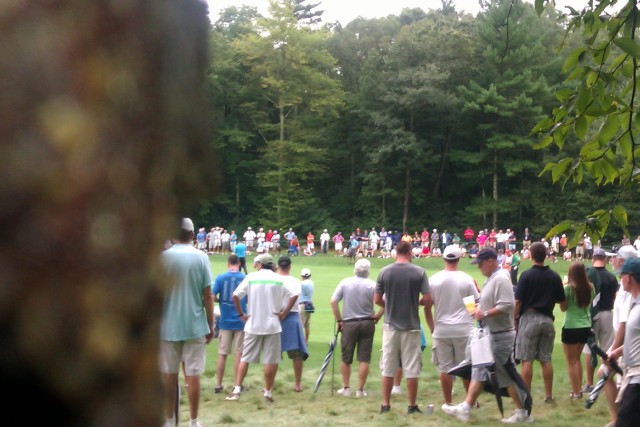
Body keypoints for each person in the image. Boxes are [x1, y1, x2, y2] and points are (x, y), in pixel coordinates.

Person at [442, 247, 532, 423]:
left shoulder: (501, 279)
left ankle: (523, 411)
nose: (479, 267)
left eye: (480, 264)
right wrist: (479, 309)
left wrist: (484, 313)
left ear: (490, 262)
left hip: (500, 335)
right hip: (491, 334)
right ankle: (466, 408)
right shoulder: (493, 278)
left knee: (505, 374)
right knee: (480, 370)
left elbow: (507, 305)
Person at [159, 218, 214, 427]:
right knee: (193, 375)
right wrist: (211, 324)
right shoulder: (201, 257)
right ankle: (193, 420)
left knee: (169, 375)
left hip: (168, 325)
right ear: (192, 234)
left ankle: (169, 420)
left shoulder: (163, 258)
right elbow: (208, 294)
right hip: (194, 324)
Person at [226, 254, 296, 402]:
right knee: (271, 360)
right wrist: (284, 313)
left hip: (253, 324)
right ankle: (268, 391)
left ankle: (237, 389)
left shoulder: (251, 277)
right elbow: (294, 295)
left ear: (260, 264)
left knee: (245, 358)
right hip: (273, 325)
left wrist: (241, 314)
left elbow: (235, 296)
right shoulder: (278, 279)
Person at [375, 241, 430, 414]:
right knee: (412, 368)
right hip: (411, 326)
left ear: (396, 252)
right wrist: (416, 303)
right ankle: (412, 405)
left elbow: (377, 299)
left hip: (390, 326)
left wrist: (389, 305)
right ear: (409, 252)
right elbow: (428, 299)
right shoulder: (419, 272)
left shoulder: (384, 272)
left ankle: (385, 404)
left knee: (388, 366)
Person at [424, 245, 479, 408]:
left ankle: (448, 402)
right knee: (466, 367)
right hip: (463, 329)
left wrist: (432, 328)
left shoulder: (434, 280)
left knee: (445, 368)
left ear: (444, 259)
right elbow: (472, 308)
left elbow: (427, 307)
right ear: (459, 259)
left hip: (442, 329)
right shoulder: (466, 279)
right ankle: (471, 402)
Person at [514, 242, 565, 403]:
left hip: (529, 318)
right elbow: (563, 303)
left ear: (531, 255)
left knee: (526, 359)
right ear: (545, 255)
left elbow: (518, 301)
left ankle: (526, 397)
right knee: (545, 359)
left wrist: (514, 317)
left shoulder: (526, 275)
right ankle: (549, 395)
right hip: (548, 320)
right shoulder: (554, 276)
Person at [331, 259, 383, 398]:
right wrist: (378, 315)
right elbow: (386, 302)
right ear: (368, 271)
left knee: (346, 357)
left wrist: (339, 320)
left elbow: (333, 301)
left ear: (355, 269)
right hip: (367, 322)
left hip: (349, 322)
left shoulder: (345, 282)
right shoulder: (372, 284)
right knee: (364, 357)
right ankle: (360, 390)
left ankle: (346, 388)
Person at [606, 257, 640, 427]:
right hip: (632, 376)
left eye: (622, 276)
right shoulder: (634, 303)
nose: (620, 279)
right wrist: (616, 352)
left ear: (629, 277)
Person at [582, 247, 617, 393]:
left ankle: (589, 384)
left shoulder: (587, 275)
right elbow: (615, 297)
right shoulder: (611, 277)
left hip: (591, 315)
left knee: (589, 349)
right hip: (607, 314)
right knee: (608, 350)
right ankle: (606, 382)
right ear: (605, 259)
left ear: (593, 259)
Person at [560, 261, 594, 400]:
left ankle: (576, 392)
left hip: (571, 326)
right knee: (577, 359)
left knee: (571, 361)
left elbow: (563, 308)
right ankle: (578, 388)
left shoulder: (568, 289)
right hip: (585, 325)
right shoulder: (591, 287)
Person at [212, 254, 246, 394]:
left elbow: (211, 295)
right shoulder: (244, 278)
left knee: (223, 353)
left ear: (228, 264)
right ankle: (237, 384)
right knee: (239, 353)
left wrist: (219, 300)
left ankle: (218, 384)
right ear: (239, 263)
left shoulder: (221, 278)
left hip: (225, 321)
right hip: (240, 320)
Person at [277, 256, 308, 392]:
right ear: (289, 267)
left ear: (278, 267)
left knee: (273, 353)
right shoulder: (295, 281)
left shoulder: (274, 279)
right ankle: (297, 384)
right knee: (297, 354)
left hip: (276, 316)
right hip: (292, 317)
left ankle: (269, 385)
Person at [299, 268, 314, 342]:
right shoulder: (311, 282)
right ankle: (306, 341)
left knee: (300, 325)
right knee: (307, 325)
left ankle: (300, 342)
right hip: (309, 305)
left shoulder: (302, 284)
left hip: (303, 305)